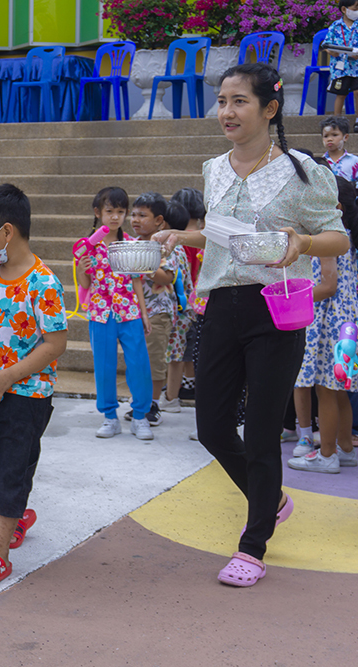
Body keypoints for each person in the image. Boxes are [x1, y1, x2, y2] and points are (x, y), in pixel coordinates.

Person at [155, 63, 350, 588]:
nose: (226, 111)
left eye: (239, 101)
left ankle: (253, 544)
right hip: (221, 306)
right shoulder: (214, 168)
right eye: (222, 101)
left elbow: (338, 237)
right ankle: (272, 500)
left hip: (276, 309)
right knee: (212, 427)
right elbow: (227, 235)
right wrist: (184, 237)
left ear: (270, 108)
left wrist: (303, 243)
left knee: (262, 432)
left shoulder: (303, 171)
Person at [0, 183, 68, 583]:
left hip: (26, 394)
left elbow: (55, 343)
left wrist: (9, 375)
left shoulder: (43, 282)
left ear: (6, 232)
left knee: (10, 467)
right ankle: (16, 500)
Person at [288, 174, 358, 473]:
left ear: (335, 206)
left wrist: (292, 299)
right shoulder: (347, 235)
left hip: (329, 322)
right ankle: (344, 448)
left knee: (325, 389)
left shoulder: (329, 236)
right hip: (346, 324)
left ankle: (327, 455)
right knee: (338, 389)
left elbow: (328, 286)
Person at [77, 187, 154, 441]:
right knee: (104, 366)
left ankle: (140, 416)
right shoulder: (88, 246)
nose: (115, 217)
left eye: (120, 212)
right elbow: (85, 284)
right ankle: (109, 416)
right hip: (100, 313)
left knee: (139, 364)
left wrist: (144, 314)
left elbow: (136, 280)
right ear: (98, 212)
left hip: (129, 311)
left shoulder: (131, 244)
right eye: (110, 211)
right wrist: (81, 268)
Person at [128, 192, 181, 424]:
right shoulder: (131, 244)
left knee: (154, 360)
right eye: (133, 215)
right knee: (137, 359)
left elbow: (167, 277)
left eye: (142, 215)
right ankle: (139, 401)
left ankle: (153, 404)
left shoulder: (166, 245)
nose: (135, 220)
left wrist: (142, 265)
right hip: (133, 312)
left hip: (158, 311)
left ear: (159, 220)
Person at [158, 200, 195, 415]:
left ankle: (172, 397)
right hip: (182, 309)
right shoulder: (180, 249)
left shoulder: (171, 250)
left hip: (177, 310)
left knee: (175, 355)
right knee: (176, 353)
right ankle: (171, 395)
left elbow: (170, 278)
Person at [170, 188, 206, 402]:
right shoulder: (198, 235)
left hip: (185, 297)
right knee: (189, 346)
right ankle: (188, 382)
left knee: (183, 348)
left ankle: (187, 384)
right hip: (196, 297)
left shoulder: (183, 239)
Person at [325, 1, 358, 118]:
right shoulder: (335, 26)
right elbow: (326, 45)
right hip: (340, 68)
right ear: (344, 9)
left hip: (356, 67)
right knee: (341, 94)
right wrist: (332, 52)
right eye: (355, 8)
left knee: (357, 92)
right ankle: (337, 120)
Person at [321, 116, 358, 183]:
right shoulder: (319, 163)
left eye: (334, 135)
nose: (329, 139)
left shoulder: (355, 161)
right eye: (326, 136)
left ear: (345, 137)